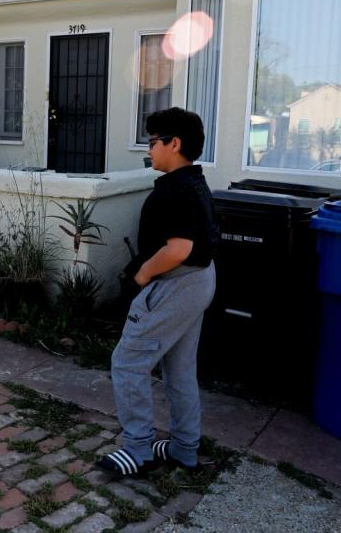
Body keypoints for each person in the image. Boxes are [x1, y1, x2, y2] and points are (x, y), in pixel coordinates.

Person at [96, 107, 219, 475]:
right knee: (179, 369)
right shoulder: (194, 182)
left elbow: (178, 248)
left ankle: (137, 450)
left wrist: (142, 276)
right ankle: (183, 449)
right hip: (198, 281)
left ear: (174, 143)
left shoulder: (177, 191)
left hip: (176, 284)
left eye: (152, 142)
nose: (148, 150)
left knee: (128, 361)